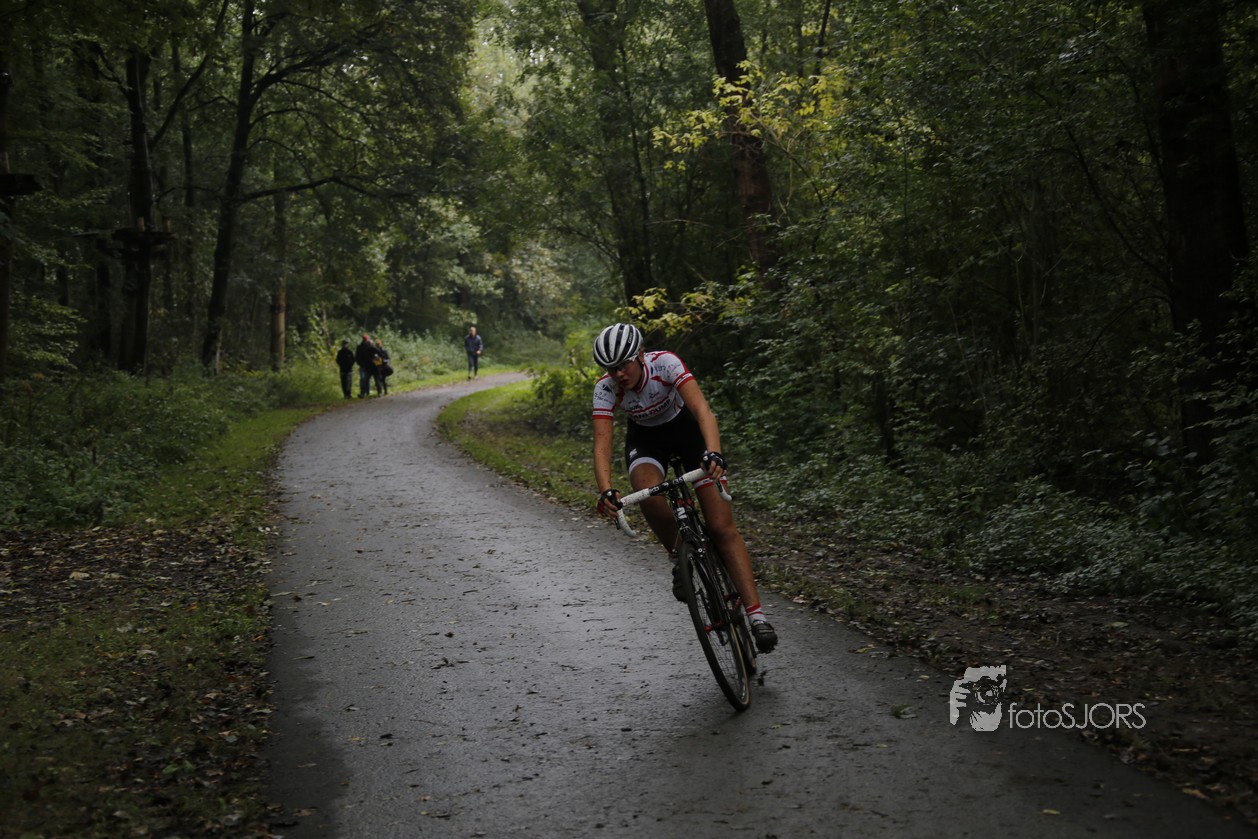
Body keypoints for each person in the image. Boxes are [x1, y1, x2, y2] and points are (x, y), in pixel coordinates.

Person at [590, 323, 778, 653]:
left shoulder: (666, 364)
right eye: (611, 368)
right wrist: (606, 489)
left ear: (641, 355)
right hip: (646, 442)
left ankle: (757, 616)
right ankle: (680, 555)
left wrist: (713, 452)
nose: (618, 374)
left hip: (687, 435)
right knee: (647, 494)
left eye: (624, 365)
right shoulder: (605, 389)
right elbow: (602, 445)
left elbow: (703, 410)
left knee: (721, 527)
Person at [354, 333, 378, 398]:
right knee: (363, 378)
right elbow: (357, 356)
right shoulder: (360, 347)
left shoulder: (369, 346)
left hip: (368, 364)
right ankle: (364, 392)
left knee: (366, 378)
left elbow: (376, 354)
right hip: (363, 364)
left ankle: (367, 391)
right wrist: (358, 362)